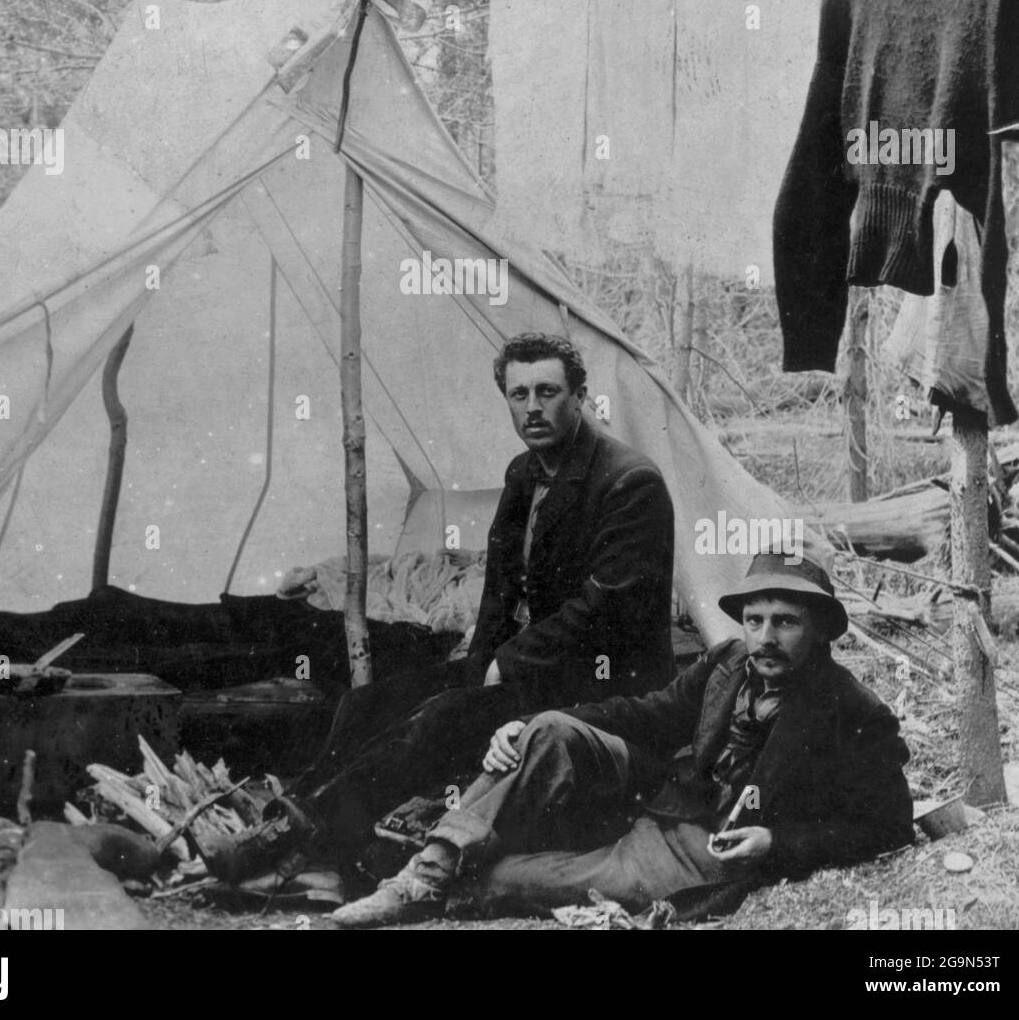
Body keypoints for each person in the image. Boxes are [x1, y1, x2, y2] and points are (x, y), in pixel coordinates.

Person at [332, 549, 914, 927]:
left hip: (702, 841)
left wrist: (777, 841)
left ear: (820, 630)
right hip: (654, 794)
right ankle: (422, 876)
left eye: (785, 622)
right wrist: (534, 723)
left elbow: (886, 826)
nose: (764, 638)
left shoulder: (855, 712)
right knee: (551, 732)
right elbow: (646, 713)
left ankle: (460, 873)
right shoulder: (729, 662)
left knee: (510, 879)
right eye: (755, 620)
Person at [268, 331, 676, 869]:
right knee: (365, 703)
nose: (532, 407)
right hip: (532, 671)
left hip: (599, 684)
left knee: (440, 720)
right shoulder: (524, 473)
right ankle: (290, 815)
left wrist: (505, 665)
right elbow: (500, 592)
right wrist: (479, 663)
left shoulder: (629, 483)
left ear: (580, 396)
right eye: (518, 394)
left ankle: (314, 845)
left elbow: (606, 611)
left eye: (548, 391)